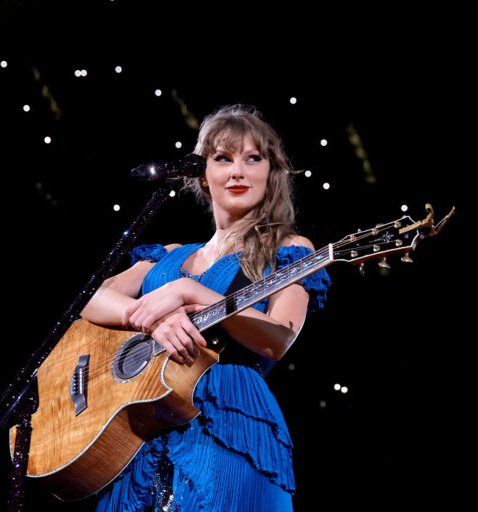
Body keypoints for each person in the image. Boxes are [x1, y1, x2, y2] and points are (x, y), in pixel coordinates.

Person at [80, 104, 331, 511]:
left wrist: (192, 294)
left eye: (253, 158)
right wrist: (148, 319)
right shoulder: (169, 254)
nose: (237, 171)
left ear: (271, 173)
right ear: (202, 174)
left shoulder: (289, 250)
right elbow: (91, 298)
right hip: (137, 425)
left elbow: (278, 339)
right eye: (222, 158)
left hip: (227, 416)